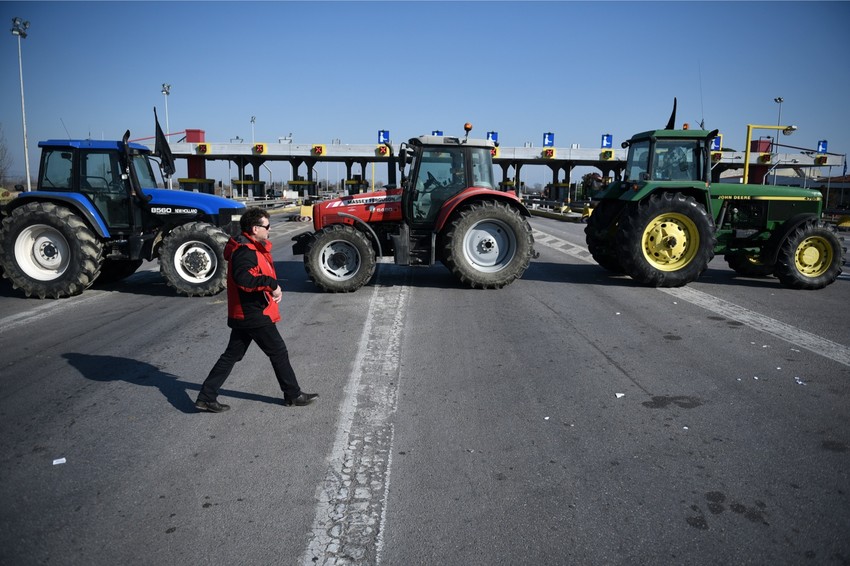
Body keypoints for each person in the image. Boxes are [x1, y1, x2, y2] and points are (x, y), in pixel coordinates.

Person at [195, 207, 318, 413]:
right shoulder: (246, 252)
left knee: (232, 355)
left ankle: (206, 397)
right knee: (278, 351)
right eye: (267, 226)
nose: (269, 229)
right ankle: (293, 394)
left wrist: (270, 287)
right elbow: (244, 280)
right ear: (255, 229)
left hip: (246, 312)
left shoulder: (250, 248)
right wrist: (271, 284)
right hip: (253, 313)